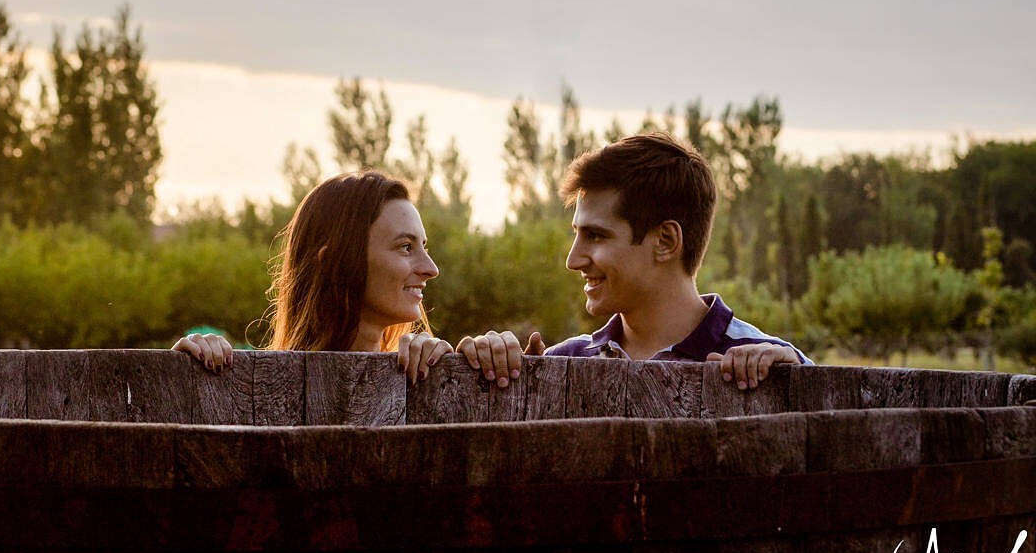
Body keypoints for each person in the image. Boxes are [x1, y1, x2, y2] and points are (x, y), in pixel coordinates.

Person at [460, 133, 812, 390]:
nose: (573, 259)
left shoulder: (769, 363)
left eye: (596, 236)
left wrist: (799, 385)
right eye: (576, 234)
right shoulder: (563, 363)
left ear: (665, 241)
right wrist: (485, 372)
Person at [174, 171, 453, 384]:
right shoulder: (254, 386)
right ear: (336, 261)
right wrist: (181, 372)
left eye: (423, 247)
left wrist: (488, 359)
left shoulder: (421, 375)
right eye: (406, 247)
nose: (431, 268)